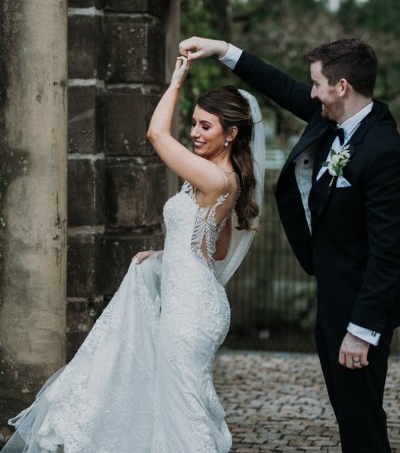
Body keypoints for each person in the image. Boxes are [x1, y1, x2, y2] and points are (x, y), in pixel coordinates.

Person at [3, 56, 265, 453]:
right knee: (175, 406)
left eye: (204, 126)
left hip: (189, 314)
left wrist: (176, 80)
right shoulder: (224, 178)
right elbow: (215, 248)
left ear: (231, 134)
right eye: (193, 122)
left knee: (183, 410)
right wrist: (169, 254)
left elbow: (156, 134)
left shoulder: (211, 177)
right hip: (196, 303)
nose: (194, 132)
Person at [179, 36, 400, 453]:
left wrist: (362, 331)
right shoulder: (332, 121)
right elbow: (278, 86)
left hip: (358, 310)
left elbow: (389, 250)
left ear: (342, 87)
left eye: (317, 84)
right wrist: (223, 49)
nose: (310, 92)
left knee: (362, 418)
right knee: (350, 413)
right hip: (333, 295)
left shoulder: (384, 148)